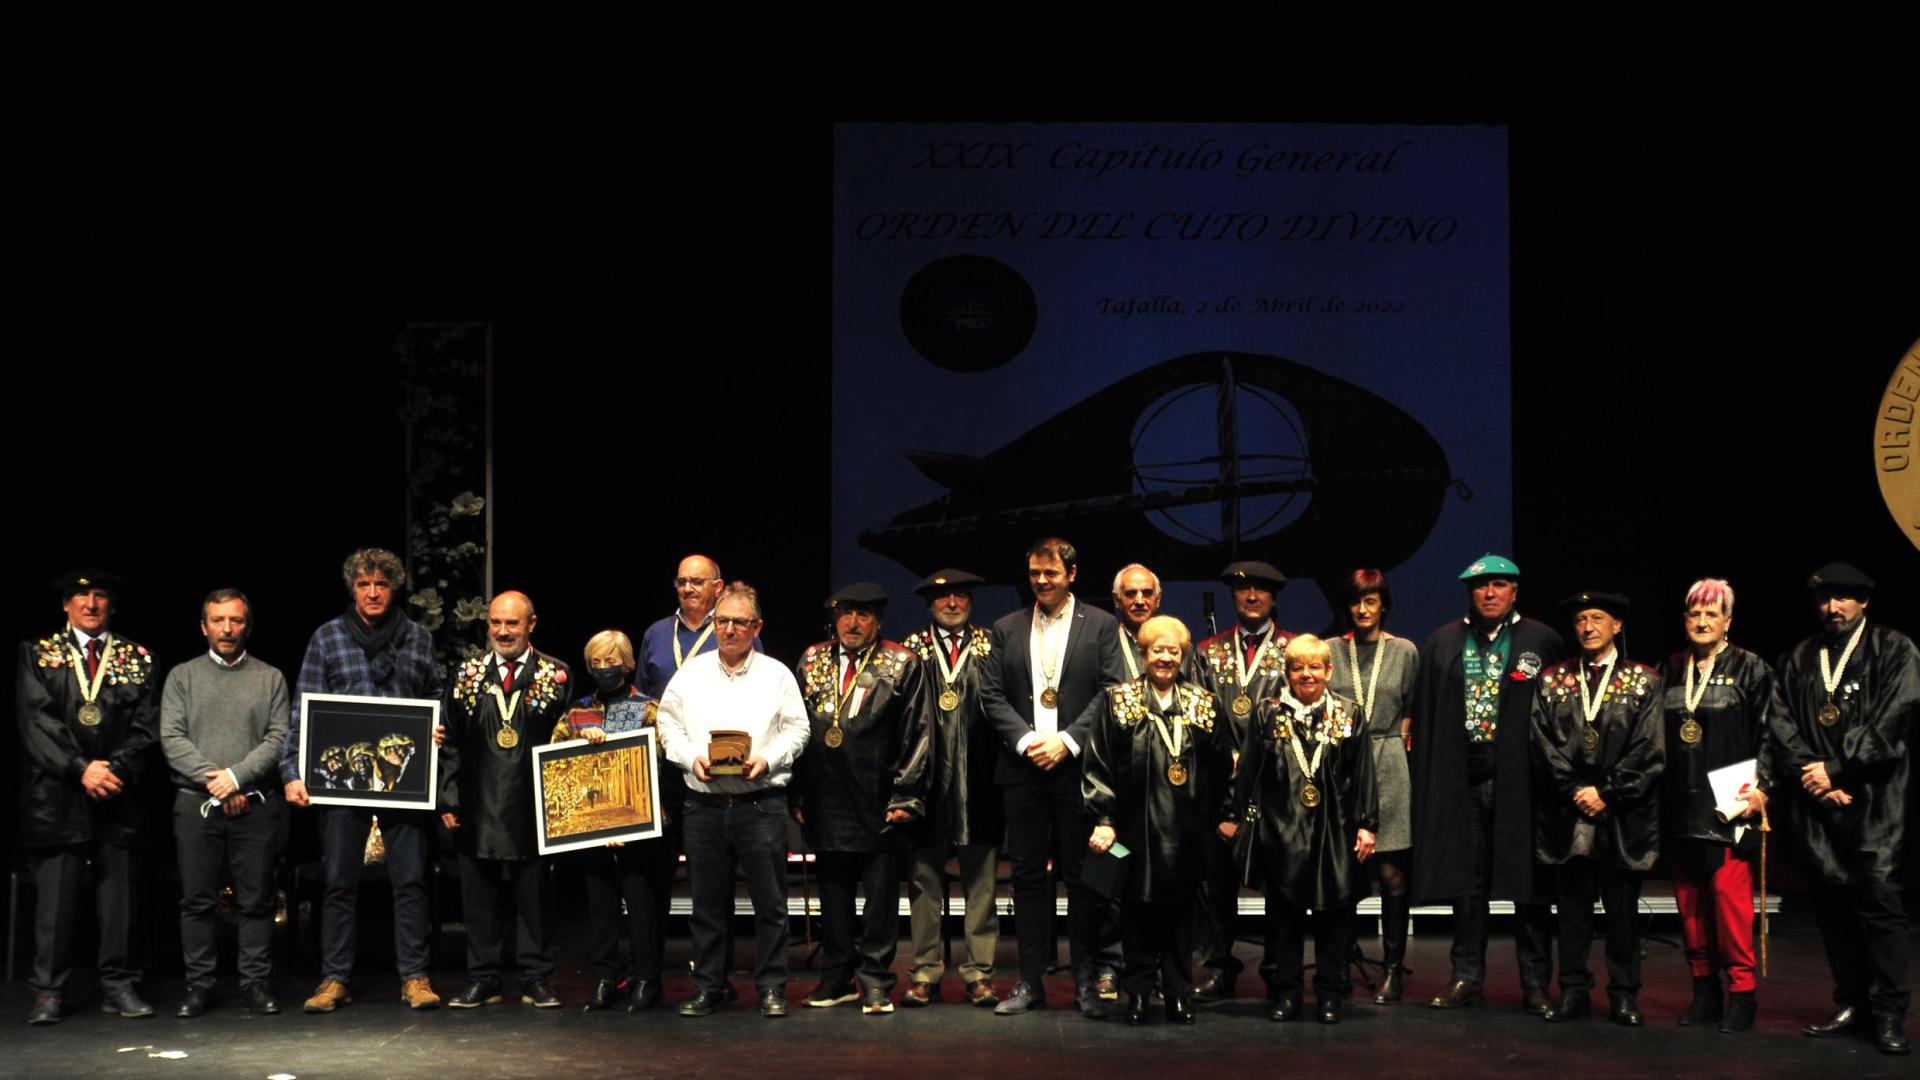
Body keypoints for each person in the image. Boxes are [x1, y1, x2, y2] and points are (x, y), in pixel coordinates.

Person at [1763, 563, 1915, 1056]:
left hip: (1875, 801)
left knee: (1880, 911)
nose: (1833, 608)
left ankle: (1890, 1013)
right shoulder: (1800, 657)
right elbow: (1780, 723)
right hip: (1818, 802)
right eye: (1825, 600)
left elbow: (1894, 721)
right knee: (1832, 910)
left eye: (1844, 599)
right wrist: (1814, 774)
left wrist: (1838, 769)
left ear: (1864, 601)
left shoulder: (1895, 649)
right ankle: (1851, 1003)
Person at [285, 548, 445, 1013]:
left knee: (411, 880)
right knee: (338, 881)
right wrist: (292, 771)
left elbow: (434, 693)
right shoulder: (328, 638)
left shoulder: (416, 638)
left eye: (381, 583)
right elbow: (302, 709)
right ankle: (335, 978)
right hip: (344, 784)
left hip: (405, 782)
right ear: (352, 589)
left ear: (394, 588)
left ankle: (415, 976)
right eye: (363, 584)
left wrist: (437, 724)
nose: (372, 592)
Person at [978, 537, 1130, 1017]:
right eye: (1036, 574)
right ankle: (1029, 982)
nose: (1043, 582)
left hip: (1076, 771)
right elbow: (991, 695)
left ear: (1072, 574)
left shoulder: (1102, 625)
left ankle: (1086, 983)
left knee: (1082, 878)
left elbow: (1111, 690)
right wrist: (1027, 742)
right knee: (1025, 879)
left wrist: (1066, 741)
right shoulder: (1006, 627)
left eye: (1052, 574)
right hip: (1023, 770)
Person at [1409, 554, 1564, 1014]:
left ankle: (1535, 982)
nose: (1489, 593)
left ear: (1515, 591)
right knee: (1467, 883)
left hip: (1523, 781)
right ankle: (1466, 977)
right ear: (1469, 593)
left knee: (1528, 882)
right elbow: (1428, 716)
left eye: (1498, 585)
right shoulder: (1444, 641)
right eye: (1480, 587)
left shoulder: (1541, 639)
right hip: (1462, 779)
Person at [657, 582, 810, 1019]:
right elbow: (668, 727)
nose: (728, 630)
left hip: (761, 804)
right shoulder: (690, 673)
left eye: (739, 623)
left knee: (770, 905)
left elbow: (798, 730)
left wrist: (767, 758)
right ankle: (709, 986)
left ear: (756, 626)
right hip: (703, 805)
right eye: (721, 621)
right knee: (706, 906)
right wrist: (690, 760)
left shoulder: (776, 674)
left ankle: (772, 987)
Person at [19, 570, 160, 1025]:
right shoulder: (38, 654)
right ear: (66, 604)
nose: (91, 603)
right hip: (59, 793)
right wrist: (81, 769)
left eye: (101, 595)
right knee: (54, 902)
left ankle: (118, 984)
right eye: (82, 595)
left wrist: (112, 769)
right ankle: (49, 991)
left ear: (112, 605)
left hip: (119, 794)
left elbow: (147, 727)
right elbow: (35, 721)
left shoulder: (138, 658)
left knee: (119, 899)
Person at [1222, 634, 1378, 1024]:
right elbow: (1249, 772)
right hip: (1281, 829)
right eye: (1297, 667)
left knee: (1334, 918)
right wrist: (1235, 814)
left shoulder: (1350, 713)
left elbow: (1364, 775)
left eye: (1314, 667)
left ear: (1329, 671)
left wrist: (1367, 825)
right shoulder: (1266, 713)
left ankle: (1329, 995)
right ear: (1287, 673)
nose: (1306, 675)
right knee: (1283, 919)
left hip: (1334, 830)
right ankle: (1287, 994)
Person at [792, 583, 931, 1014]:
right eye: (846, 614)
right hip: (825, 795)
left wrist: (906, 795)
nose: (853, 623)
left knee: (880, 900)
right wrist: (797, 790)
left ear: (879, 620)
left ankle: (874, 979)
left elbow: (918, 731)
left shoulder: (902, 662)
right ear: (835, 618)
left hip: (880, 797)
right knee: (833, 895)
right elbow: (794, 725)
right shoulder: (812, 660)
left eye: (863, 615)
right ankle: (837, 976)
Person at [1083, 615, 1228, 1025]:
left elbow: (1221, 766)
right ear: (1143, 654)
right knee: (1135, 914)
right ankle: (1139, 993)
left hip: (1186, 834)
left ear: (1183, 656)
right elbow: (1098, 765)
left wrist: (1217, 816)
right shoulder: (1118, 701)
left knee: (1182, 914)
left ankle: (1180, 993)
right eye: (1157, 650)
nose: (1165, 658)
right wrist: (1104, 818)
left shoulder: (1204, 704)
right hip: (1132, 832)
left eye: (1173, 651)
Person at [1531, 591, 1664, 1027]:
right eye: (1581, 619)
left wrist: (1606, 790)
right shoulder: (1552, 681)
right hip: (1570, 814)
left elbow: (1649, 748)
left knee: (1623, 912)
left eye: (1598, 618)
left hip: (1622, 814)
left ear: (1617, 626)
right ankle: (1573, 991)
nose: (1588, 626)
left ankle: (1624, 994)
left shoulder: (1644, 680)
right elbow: (1542, 744)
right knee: (1572, 911)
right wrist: (1575, 790)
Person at [160, 588, 291, 1018]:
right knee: (197, 901)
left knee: (257, 901)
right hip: (196, 804)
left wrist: (236, 778)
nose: (227, 628)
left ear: (247, 626)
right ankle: (199, 986)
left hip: (254, 803)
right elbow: (172, 738)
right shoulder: (182, 676)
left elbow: (277, 740)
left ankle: (254, 985)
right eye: (218, 620)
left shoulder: (270, 677)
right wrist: (218, 782)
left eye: (235, 620)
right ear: (204, 627)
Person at [440, 591, 572, 1009]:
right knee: (478, 898)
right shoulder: (467, 675)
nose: (502, 631)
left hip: (535, 805)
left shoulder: (557, 675)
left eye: (512, 623)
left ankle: (536, 978)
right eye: (495, 623)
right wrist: (447, 799)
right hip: (477, 801)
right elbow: (450, 742)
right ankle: (483, 978)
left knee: (535, 898)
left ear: (531, 624)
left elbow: (567, 743)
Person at [1659, 578, 1772, 1033]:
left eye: (1712, 614)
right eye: (1694, 614)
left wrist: (1763, 789)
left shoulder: (1751, 668)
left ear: (1728, 621)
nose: (1702, 622)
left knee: (1729, 906)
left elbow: (1771, 734)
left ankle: (1742, 995)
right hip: (1678, 806)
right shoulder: (1669, 667)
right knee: (1690, 907)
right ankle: (1703, 990)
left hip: (1729, 804)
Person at [551, 629, 679, 1012]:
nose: (604, 668)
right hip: (592, 829)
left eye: (611, 661)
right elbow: (555, 762)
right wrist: (579, 742)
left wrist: (631, 821)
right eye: (596, 662)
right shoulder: (577, 711)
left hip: (641, 828)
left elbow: (662, 762)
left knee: (643, 904)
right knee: (600, 905)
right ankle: (606, 977)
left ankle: (646, 978)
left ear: (627, 664)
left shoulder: (649, 708)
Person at [1193, 559, 1296, 1003]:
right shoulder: (1208, 651)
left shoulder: (1295, 651)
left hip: (1276, 791)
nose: (1251, 597)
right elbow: (1198, 717)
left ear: (1274, 597)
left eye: (1260, 590)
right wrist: (1225, 760)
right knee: (1219, 887)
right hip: (1221, 791)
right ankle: (1220, 968)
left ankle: (1278, 968)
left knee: (1279, 886)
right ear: (1233, 597)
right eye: (1242, 590)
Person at [899, 569, 1002, 1008]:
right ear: (929, 605)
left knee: (982, 884)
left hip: (982, 780)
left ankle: (980, 974)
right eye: (944, 599)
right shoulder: (910, 651)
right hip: (927, 782)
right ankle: (924, 972)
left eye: (961, 597)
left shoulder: (991, 646)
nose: (953, 604)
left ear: (971, 602)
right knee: (924, 883)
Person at [1327, 568, 1419, 1004]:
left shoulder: (1403, 651)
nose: (1362, 610)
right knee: (1344, 872)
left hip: (1388, 762)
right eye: (1355, 601)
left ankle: (1394, 970)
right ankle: (1339, 963)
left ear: (1383, 603)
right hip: (1342, 766)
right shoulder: (1329, 649)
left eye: (1371, 601)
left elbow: (1413, 710)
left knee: (1391, 873)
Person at [639, 554, 755, 699]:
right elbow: (640, 697)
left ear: (718, 587)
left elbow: (756, 691)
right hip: (663, 721)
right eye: (681, 582)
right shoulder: (656, 633)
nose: (687, 589)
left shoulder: (738, 632)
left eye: (696, 582)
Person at [1110, 563, 1163, 679]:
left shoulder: (1177, 646)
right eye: (1130, 594)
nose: (1139, 601)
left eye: (1147, 593)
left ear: (1158, 599)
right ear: (1117, 600)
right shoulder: (1106, 647)